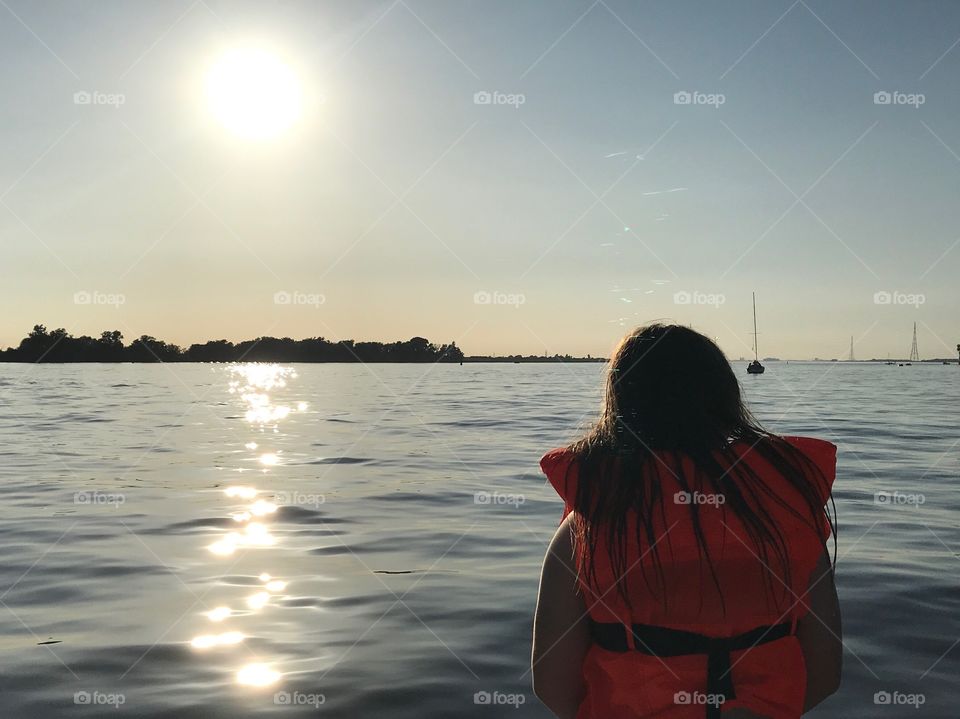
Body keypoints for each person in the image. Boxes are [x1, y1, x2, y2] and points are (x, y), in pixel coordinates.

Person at [531, 324, 841, 718]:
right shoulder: (787, 515)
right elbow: (825, 672)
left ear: (621, 403)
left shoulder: (587, 527)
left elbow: (553, 686)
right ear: (725, 399)